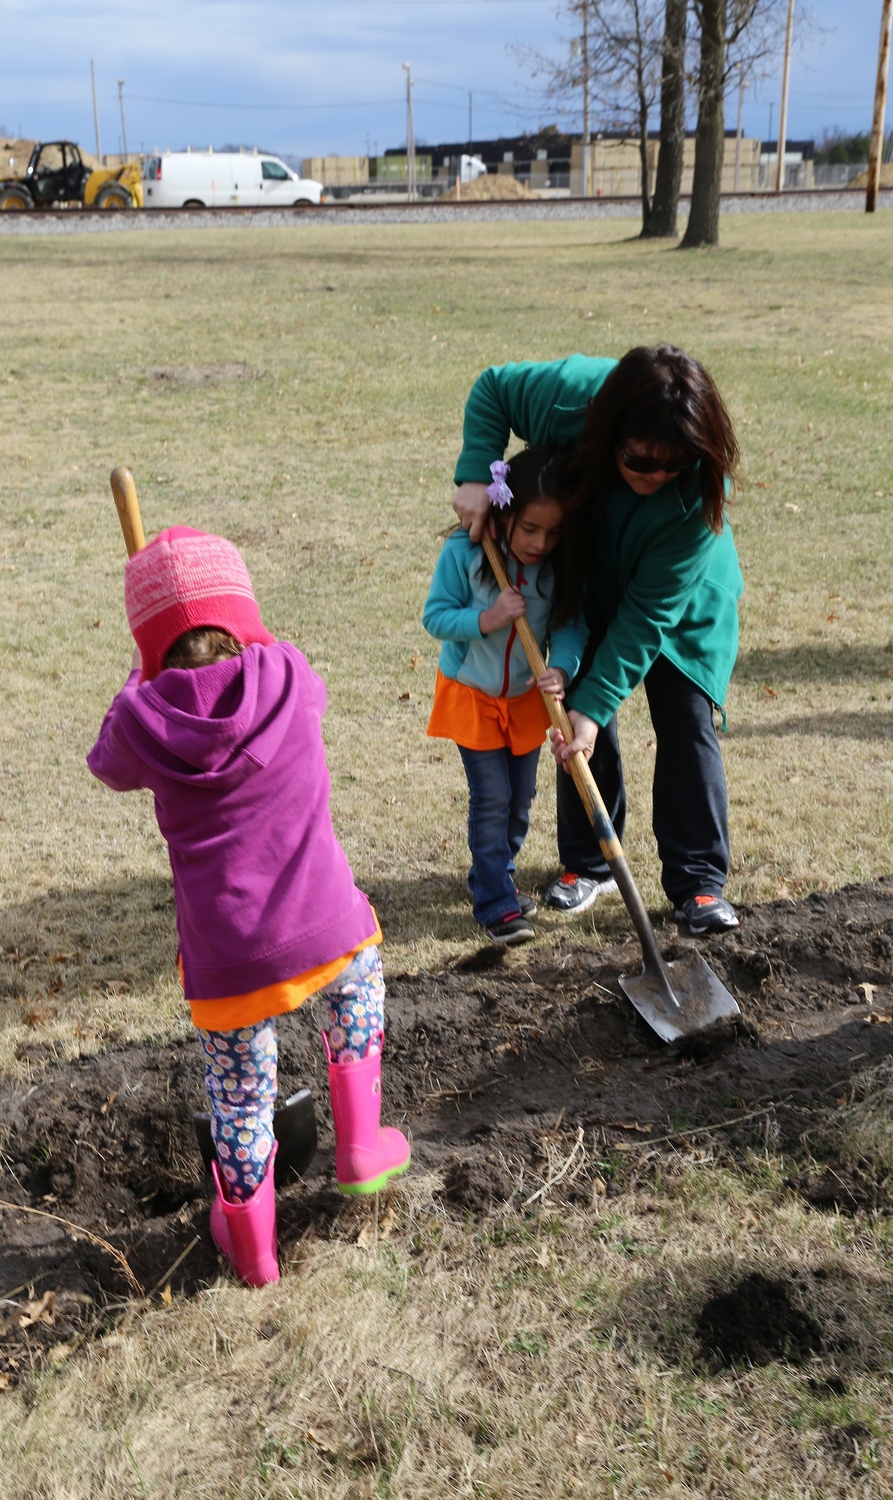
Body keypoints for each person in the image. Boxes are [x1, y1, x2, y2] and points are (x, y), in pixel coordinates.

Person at [87, 526, 409, 1287]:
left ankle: (253, 1249)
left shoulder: (141, 719)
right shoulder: (290, 674)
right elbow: (297, 678)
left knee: (238, 1095)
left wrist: (141, 679)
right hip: (325, 922)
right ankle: (361, 1148)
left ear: (148, 642)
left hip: (229, 960)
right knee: (357, 992)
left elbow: (106, 765)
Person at [452, 346, 744, 936]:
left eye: (673, 464)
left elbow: (644, 618)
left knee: (685, 714)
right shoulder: (574, 396)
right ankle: (590, 862)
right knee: (576, 702)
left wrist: (595, 705)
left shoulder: (694, 496)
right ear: (610, 428)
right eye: (639, 460)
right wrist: (476, 473)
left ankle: (697, 883)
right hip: (584, 579)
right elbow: (493, 389)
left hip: (680, 599)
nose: (655, 476)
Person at [423, 445, 588, 946]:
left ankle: (497, 871)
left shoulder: (558, 568)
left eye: (553, 532)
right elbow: (435, 616)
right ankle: (496, 903)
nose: (540, 543)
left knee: (520, 801)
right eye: (530, 529)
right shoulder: (465, 555)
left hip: (523, 699)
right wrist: (487, 619)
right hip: (472, 692)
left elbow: (572, 626)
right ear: (503, 515)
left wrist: (561, 667)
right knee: (492, 798)